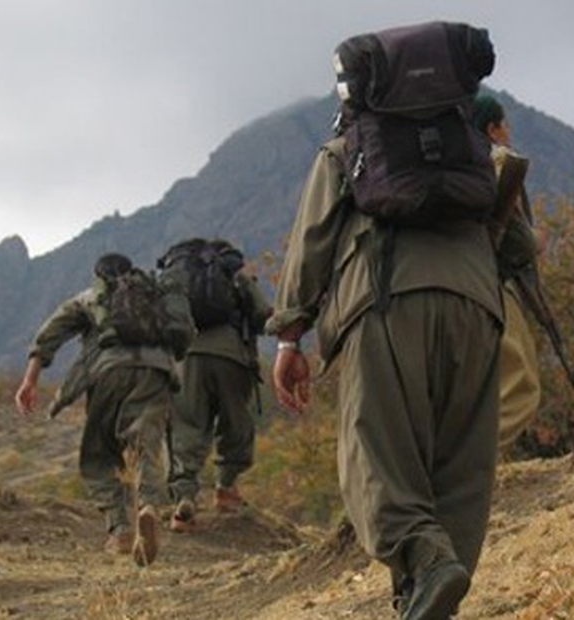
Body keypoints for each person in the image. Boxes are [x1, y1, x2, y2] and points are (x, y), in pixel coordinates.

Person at [268, 106, 503, 619]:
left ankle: (427, 560)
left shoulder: (347, 150)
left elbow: (311, 244)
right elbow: (520, 244)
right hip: (479, 309)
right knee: (461, 465)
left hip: (385, 299)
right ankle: (426, 600)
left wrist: (289, 338)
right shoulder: (472, 149)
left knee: (374, 452)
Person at [14, 253, 193, 567]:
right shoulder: (155, 294)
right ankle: (149, 505)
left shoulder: (91, 297)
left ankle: (120, 529)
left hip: (108, 372)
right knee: (146, 443)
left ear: (99, 275)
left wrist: (30, 380)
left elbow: (50, 335)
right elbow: (184, 334)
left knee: (99, 453)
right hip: (156, 371)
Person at [161, 239, 273, 532]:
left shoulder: (181, 278)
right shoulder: (234, 272)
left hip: (187, 358)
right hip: (231, 355)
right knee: (235, 422)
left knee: (187, 426)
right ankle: (226, 489)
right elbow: (262, 314)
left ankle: (183, 500)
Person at [472, 94, 543, 450]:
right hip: (487, 283)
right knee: (520, 386)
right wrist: (534, 239)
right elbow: (518, 244)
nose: (509, 131)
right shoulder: (497, 163)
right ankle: (469, 466)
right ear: (492, 128)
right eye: (505, 123)